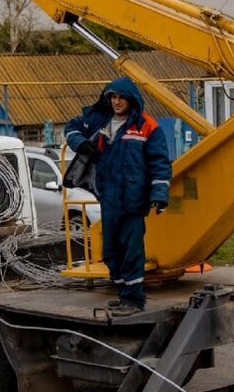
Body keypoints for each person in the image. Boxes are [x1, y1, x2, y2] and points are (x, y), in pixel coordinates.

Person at [63, 76, 172, 316]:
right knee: (111, 251)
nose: (117, 101)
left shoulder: (147, 127)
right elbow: (70, 127)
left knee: (132, 251)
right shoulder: (99, 120)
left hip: (133, 202)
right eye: (113, 97)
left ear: (131, 99)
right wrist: (81, 143)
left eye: (121, 97)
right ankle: (123, 295)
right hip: (109, 199)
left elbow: (160, 164)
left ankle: (134, 300)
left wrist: (159, 195)